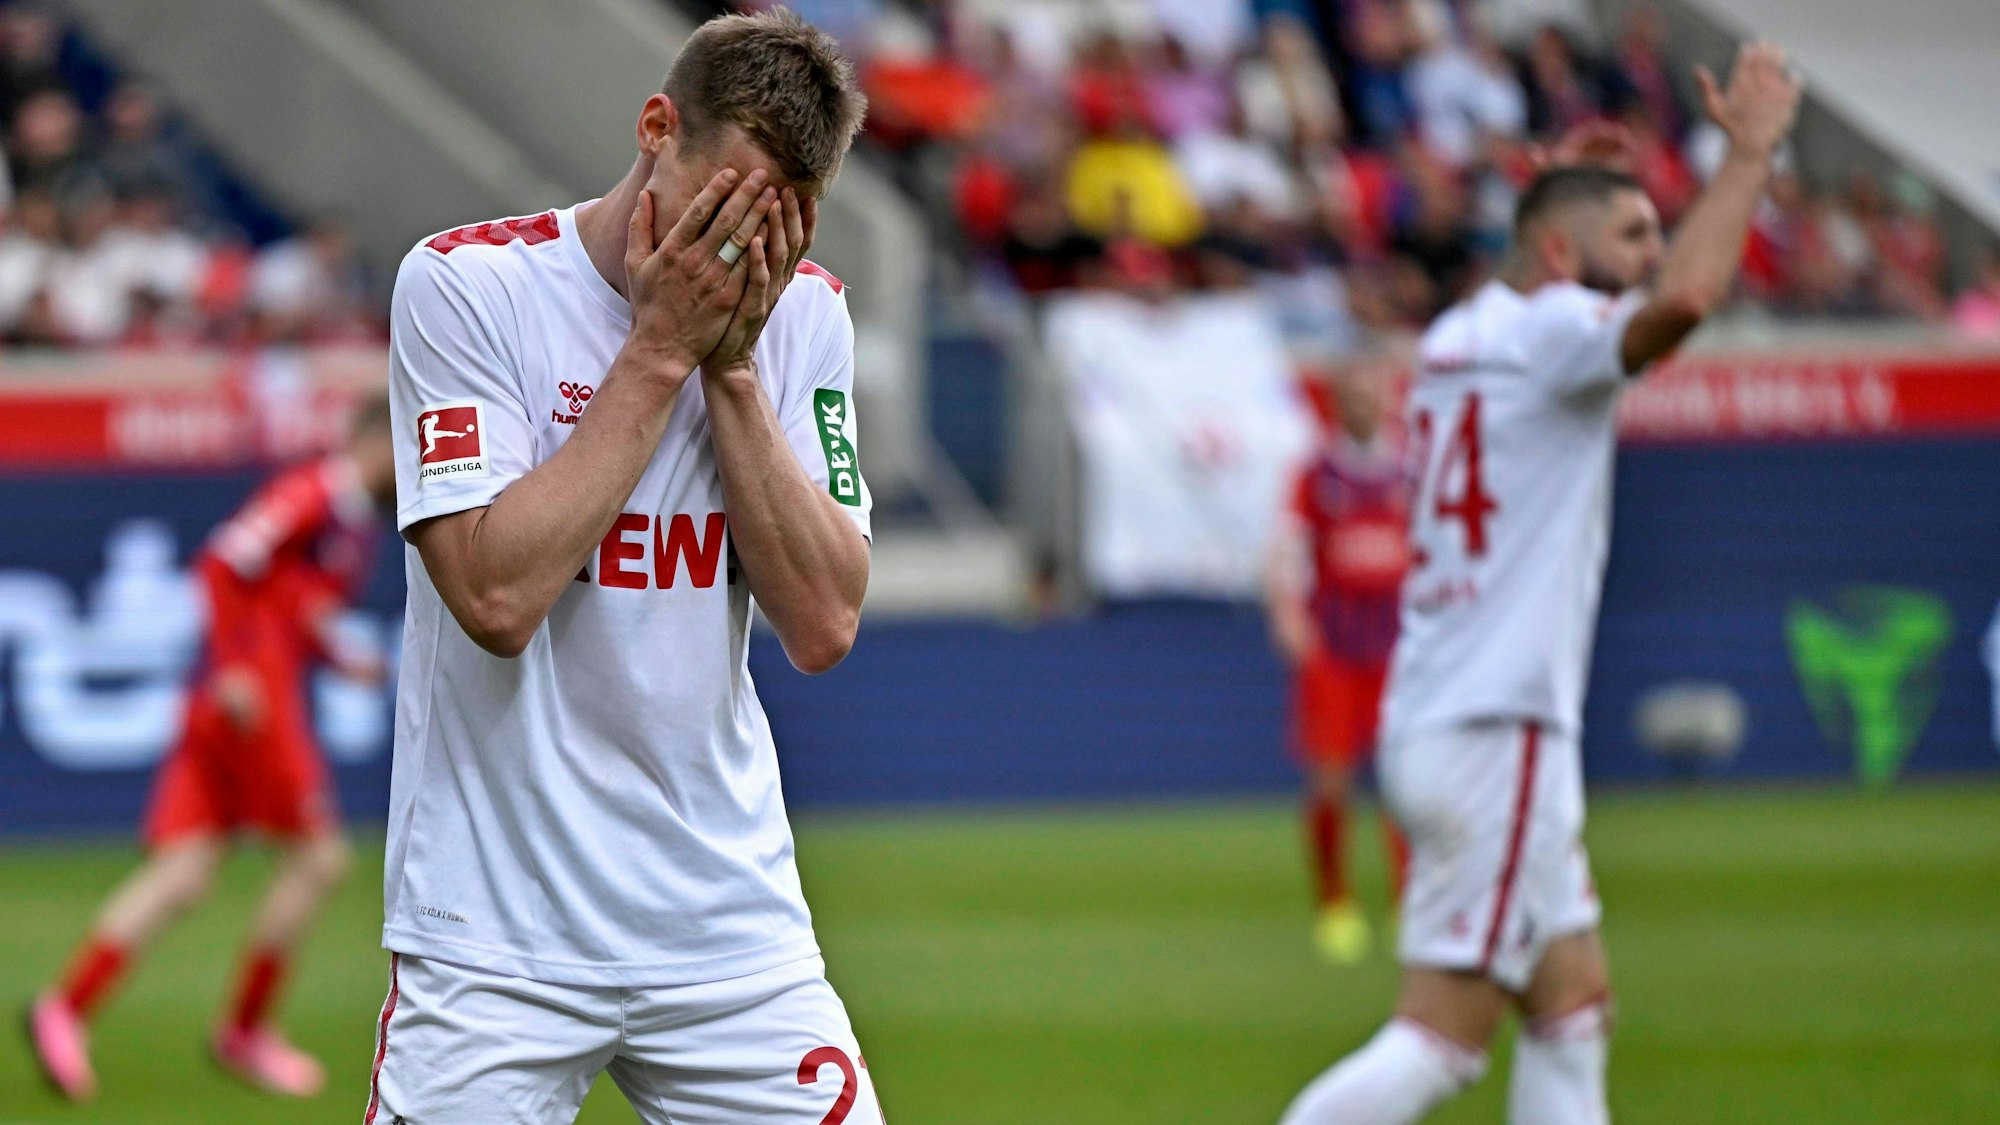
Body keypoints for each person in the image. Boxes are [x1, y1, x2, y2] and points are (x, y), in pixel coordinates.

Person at [368, 11, 881, 1124]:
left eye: (783, 222)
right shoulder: (468, 290)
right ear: (656, 127)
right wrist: (657, 351)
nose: (747, 249)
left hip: (725, 933)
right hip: (495, 937)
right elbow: (495, 597)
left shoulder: (804, 318)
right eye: (728, 202)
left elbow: (822, 625)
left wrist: (733, 370)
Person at [1280, 41, 1800, 1124]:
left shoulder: (1461, 333)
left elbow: (1547, 269)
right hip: (1499, 725)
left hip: (1441, 718)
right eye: (1632, 233)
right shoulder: (1560, 331)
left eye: (1653, 228)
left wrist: (1555, 195)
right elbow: (1688, 300)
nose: (1653, 249)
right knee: (1440, 1041)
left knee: (1572, 1009)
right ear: (1562, 256)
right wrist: (1745, 151)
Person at [26, 400, 397, 1102]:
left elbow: (291, 603)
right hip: (250, 698)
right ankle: (245, 1028)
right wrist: (230, 664)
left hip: (237, 695)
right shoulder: (313, 493)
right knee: (319, 858)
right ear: (374, 439)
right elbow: (224, 561)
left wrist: (338, 657)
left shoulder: (349, 521)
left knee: (186, 870)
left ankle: (65, 1007)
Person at [1266, 363, 1411, 965]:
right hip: (1335, 646)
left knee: (1406, 784)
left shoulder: (1410, 468)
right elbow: (1288, 549)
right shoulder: (1315, 476)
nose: (1363, 406)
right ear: (1335, 404)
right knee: (1330, 781)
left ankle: (1413, 902)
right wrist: (1288, 615)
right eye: (1352, 396)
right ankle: (1334, 900)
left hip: (1398, 648)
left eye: (1372, 393)